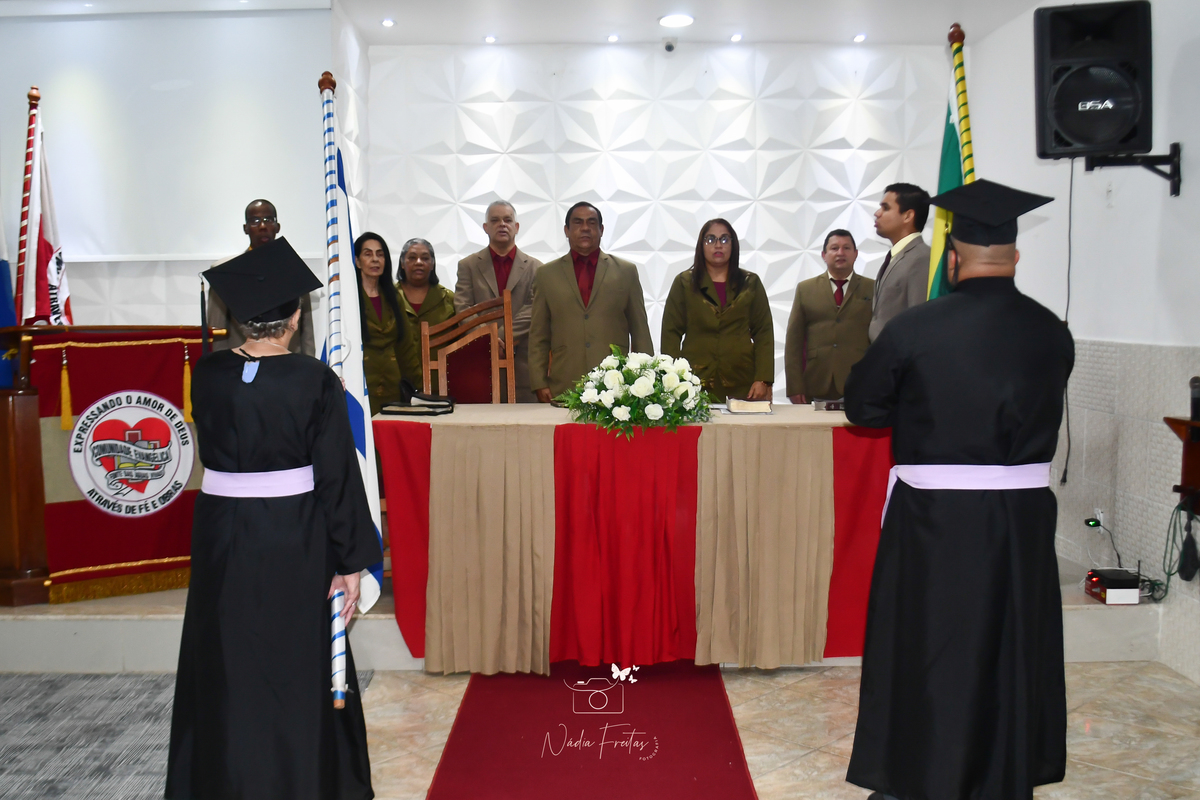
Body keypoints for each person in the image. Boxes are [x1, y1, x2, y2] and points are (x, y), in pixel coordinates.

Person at [843, 179, 1072, 800]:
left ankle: (917, 776)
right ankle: (1005, 772)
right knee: (1011, 639)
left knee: (930, 640)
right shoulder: (1052, 332)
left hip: (934, 518)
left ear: (951, 259)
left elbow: (863, 408)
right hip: (1022, 517)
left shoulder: (916, 329)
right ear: (1015, 256)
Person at [169, 237, 381, 800]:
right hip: (293, 534)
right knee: (293, 661)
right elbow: (336, 476)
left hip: (221, 533)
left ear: (241, 318)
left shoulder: (207, 372)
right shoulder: (313, 379)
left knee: (224, 655)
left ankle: (223, 780)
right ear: (295, 319)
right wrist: (352, 561)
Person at [528, 201, 654, 401]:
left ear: (601, 230)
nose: (585, 228)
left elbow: (640, 331)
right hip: (564, 382)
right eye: (578, 222)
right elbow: (538, 334)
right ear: (566, 230)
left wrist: (645, 380)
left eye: (592, 223)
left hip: (616, 385)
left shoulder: (626, 271)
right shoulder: (546, 275)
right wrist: (539, 381)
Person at [659, 219, 773, 402]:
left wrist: (763, 379)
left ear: (733, 245)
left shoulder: (750, 283)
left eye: (724, 239)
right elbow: (670, 333)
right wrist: (673, 378)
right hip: (694, 381)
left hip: (742, 379)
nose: (718, 245)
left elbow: (764, 333)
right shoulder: (684, 283)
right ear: (701, 245)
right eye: (711, 239)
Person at [454, 200, 543, 402]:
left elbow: (534, 309)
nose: (502, 224)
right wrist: (486, 338)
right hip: (480, 362)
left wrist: (499, 337)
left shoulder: (536, 268)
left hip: (523, 364)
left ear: (516, 227)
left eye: (507, 220)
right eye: (495, 220)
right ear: (486, 227)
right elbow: (463, 307)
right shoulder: (468, 266)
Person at [207, 199, 317, 355]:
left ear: (277, 227)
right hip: (241, 362)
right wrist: (221, 365)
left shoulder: (293, 269)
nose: (263, 226)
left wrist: (310, 364)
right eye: (255, 221)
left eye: (268, 220)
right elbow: (217, 330)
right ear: (246, 228)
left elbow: (306, 330)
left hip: (288, 362)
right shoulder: (227, 273)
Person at [784, 229, 874, 403]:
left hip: (860, 382)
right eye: (834, 248)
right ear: (824, 255)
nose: (840, 253)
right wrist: (794, 386)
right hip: (815, 380)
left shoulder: (872, 288)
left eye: (846, 248)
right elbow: (794, 341)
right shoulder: (806, 289)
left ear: (855, 254)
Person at [355, 232, 419, 415]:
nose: (375, 259)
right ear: (357, 261)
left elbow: (406, 346)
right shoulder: (350, 299)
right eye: (368, 254)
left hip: (393, 384)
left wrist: (418, 388)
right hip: (362, 386)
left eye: (380, 254)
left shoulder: (394, 297)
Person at [868, 183, 931, 341]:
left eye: (885, 208)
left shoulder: (921, 258)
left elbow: (920, 323)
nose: (877, 213)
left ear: (908, 216)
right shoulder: (896, 256)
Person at [396, 237, 456, 387]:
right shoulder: (388, 298)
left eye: (425, 258)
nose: (419, 262)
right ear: (402, 263)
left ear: (432, 263)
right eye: (412, 258)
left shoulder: (449, 299)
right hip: (396, 384)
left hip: (440, 385)